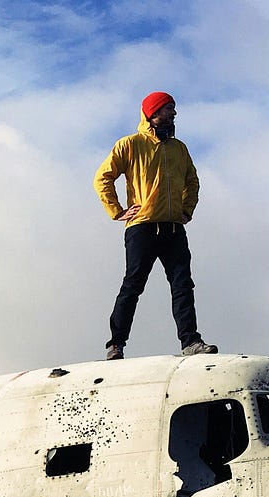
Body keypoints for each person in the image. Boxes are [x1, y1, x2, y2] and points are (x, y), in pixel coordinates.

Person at [94, 91, 216, 360]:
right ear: (153, 113)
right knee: (133, 285)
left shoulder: (179, 148)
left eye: (173, 108)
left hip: (173, 228)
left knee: (183, 284)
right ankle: (116, 344)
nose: (174, 113)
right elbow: (103, 178)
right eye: (169, 108)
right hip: (142, 227)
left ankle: (190, 342)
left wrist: (186, 209)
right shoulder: (130, 144)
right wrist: (117, 211)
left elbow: (192, 181)